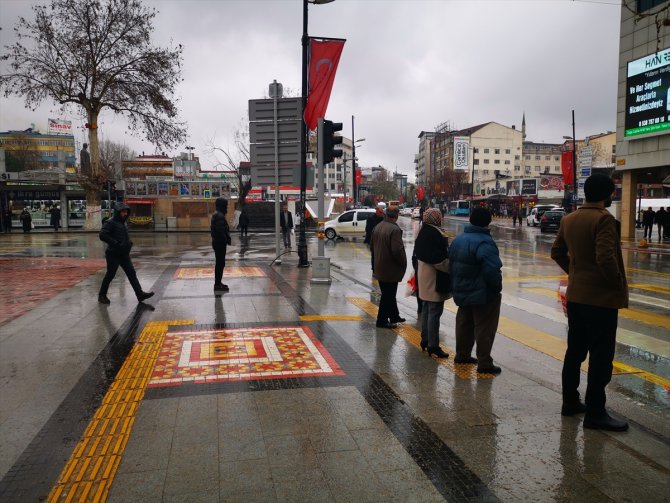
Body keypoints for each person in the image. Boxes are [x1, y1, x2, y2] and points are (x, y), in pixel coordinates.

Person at [551, 174, 629, 432]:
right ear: (606, 195)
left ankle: (570, 401)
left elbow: (557, 252)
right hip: (601, 300)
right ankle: (596, 412)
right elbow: (606, 258)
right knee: (601, 356)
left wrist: (574, 273)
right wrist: (616, 283)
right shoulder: (604, 219)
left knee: (575, 352)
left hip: (576, 297)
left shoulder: (569, 218)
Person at [449, 207, 503, 373]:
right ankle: (485, 362)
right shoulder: (485, 242)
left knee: (464, 323)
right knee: (484, 327)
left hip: (461, 289)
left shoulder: (459, 239)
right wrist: (496, 288)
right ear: (488, 222)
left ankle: (462, 354)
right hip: (482, 293)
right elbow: (492, 269)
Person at [98, 202, 154, 304]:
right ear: (117, 212)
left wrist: (129, 243)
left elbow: (123, 235)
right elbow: (102, 235)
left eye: (126, 212)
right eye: (123, 212)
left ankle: (139, 294)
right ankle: (102, 295)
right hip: (113, 253)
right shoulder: (110, 222)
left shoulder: (123, 222)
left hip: (124, 253)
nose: (125, 214)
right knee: (110, 274)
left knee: (131, 273)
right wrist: (115, 243)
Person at [414, 208, 450, 358]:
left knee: (427, 310)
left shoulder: (424, 231)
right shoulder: (434, 234)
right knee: (434, 313)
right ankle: (433, 345)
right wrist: (450, 267)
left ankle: (425, 339)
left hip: (425, 276)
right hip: (433, 278)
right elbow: (437, 258)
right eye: (438, 216)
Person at [370, 206, 407, 329]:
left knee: (388, 293)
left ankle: (394, 315)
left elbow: (372, 247)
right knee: (388, 295)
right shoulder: (394, 229)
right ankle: (381, 320)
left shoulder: (378, 226)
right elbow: (397, 250)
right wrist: (403, 263)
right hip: (390, 268)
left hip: (379, 266)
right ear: (396, 216)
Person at [211, 197, 232, 292]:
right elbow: (220, 232)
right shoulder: (219, 216)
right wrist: (226, 239)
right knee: (220, 263)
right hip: (220, 244)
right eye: (226, 206)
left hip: (218, 243)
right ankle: (217, 284)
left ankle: (218, 282)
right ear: (222, 206)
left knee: (220, 263)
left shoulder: (218, 214)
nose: (226, 208)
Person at [364, 206, 385, 270]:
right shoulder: (371, 219)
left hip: (381, 240)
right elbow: (367, 229)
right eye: (380, 212)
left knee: (381, 255)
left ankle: (380, 267)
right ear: (377, 211)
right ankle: (374, 268)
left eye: (382, 212)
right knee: (374, 255)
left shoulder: (383, 218)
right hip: (373, 240)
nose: (381, 214)